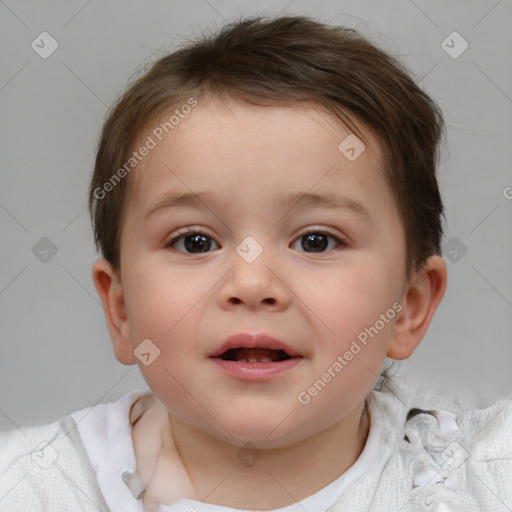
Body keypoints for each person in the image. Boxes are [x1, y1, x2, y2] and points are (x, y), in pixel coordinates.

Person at [1, 15, 511, 512]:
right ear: (121, 311)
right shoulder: (31, 486)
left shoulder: (481, 479)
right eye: (195, 242)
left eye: (315, 241)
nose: (251, 283)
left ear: (408, 307)